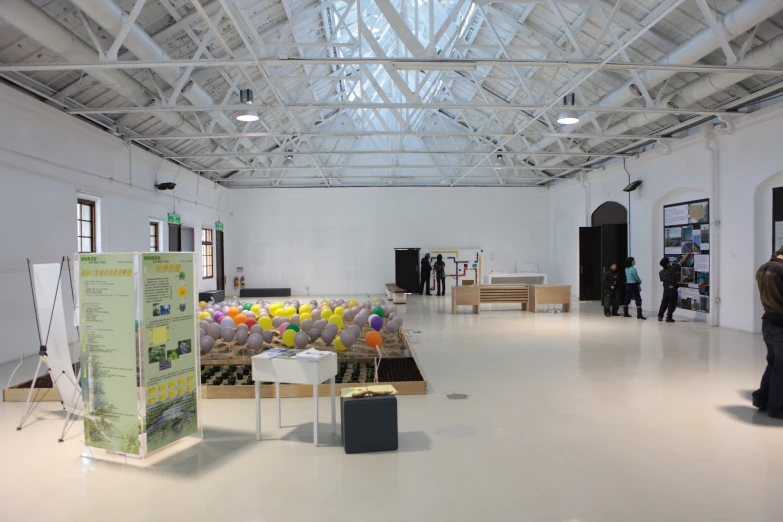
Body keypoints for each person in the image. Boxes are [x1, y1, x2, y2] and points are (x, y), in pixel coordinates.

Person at [752, 246, 783, 418]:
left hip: (768, 322)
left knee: (773, 363)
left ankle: (761, 398)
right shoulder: (781, 270)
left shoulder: (763, 268)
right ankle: (777, 407)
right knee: (780, 366)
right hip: (780, 324)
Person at [658, 252, 691, 322]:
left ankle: (660, 316)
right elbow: (681, 262)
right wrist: (687, 254)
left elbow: (662, 280)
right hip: (673, 289)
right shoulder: (672, 268)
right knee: (672, 303)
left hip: (666, 289)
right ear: (667, 264)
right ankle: (669, 317)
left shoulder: (661, 273)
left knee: (664, 302)